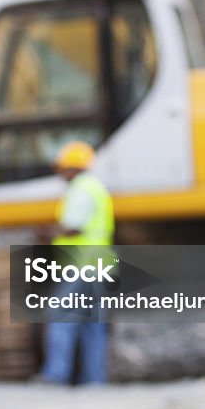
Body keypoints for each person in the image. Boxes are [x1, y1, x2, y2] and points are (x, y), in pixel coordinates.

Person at [39, 140, 115, 385]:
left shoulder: (80, 190)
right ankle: (94, 379)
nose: (60, 173)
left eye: (62, 167)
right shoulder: (96, 187)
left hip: (81, 264)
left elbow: (73, 227)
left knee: (61, 317)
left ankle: (55, 374)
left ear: (72, 168)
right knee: (92, 324)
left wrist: (47, 233)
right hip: (99, 262)